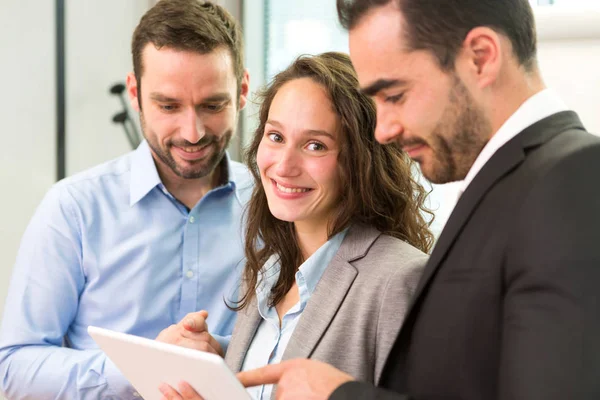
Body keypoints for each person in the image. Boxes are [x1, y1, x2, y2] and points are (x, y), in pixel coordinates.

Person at [232, 0, 600, 399]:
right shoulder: (507, 184)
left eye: (396, 94)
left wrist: (342, 395)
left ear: (481, 58)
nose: (384, 130)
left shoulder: (574, 176)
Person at [0, 0, 252, 399]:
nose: (192, 132)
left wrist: (219, 351)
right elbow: (11, 368)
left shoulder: (273, 206)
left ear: (241, 91)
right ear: (134, 93)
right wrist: (145, 365)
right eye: (168, 105)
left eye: (212, 105)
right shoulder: (74, 209)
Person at [158, 51, 434, 400]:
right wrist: (214, 359)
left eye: (315, 145)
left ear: (361, 161)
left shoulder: (401, 279)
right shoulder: (267, 269)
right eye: (275, 137)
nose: (284, 165)